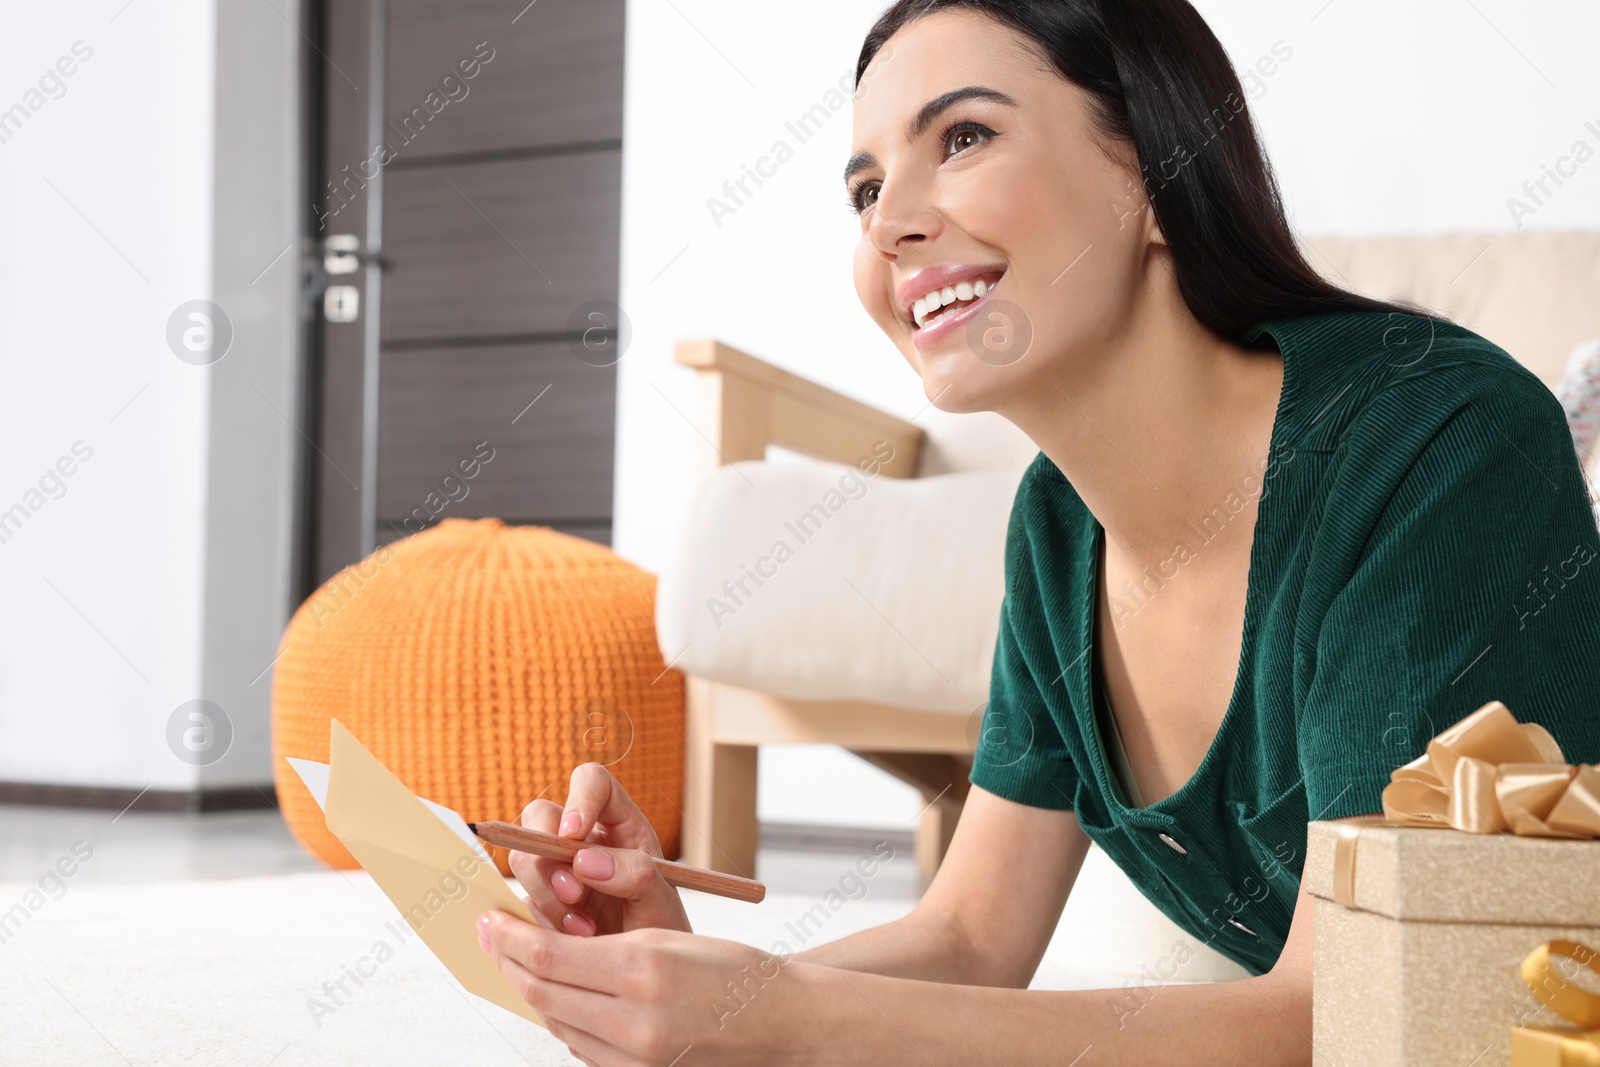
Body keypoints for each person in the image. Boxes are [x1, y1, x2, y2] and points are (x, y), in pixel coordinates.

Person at [475, 2, 1600, 1063]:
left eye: (961, 136)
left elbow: (1346, 1011)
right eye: (863, 187)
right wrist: (703, 987)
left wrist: (796, 1020)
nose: (891, 223)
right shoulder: (1057, 525)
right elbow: (970, 938)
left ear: (1154, 171)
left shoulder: (1436, 444)